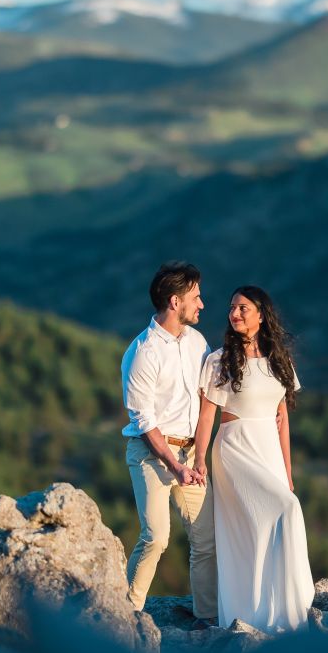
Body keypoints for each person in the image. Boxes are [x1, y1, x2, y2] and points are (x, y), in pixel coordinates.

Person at [192, 285, 315, 632]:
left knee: (274, 517)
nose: (235, 313)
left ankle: (279, 610)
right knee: (282, 513)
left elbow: (283, 419)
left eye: (243, 308)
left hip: (269, 451)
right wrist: (200, 458)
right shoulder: (220, 360)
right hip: (235, 448)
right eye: (232, 308)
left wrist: (288, 474)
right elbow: (207, 416)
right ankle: (256, 612)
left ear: (262, 315)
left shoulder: (280, 360)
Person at [120, 261, 217, 626]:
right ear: (175, 302)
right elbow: (144, 422)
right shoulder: (142, 352)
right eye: (195, 297)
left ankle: (208, 617)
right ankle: (125, 615)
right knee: (156, 537)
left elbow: (211, 394)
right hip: (150, 453)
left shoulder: (197, 342)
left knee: (206, 540)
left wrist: (197, 457)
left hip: (192, 452)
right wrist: (175, 466)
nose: (202, 304)